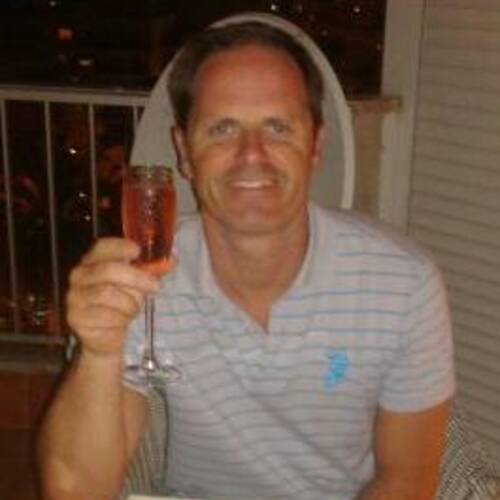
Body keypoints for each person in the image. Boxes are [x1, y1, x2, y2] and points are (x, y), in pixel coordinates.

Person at [37, 21, 455, 500]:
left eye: (278, 127)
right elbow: (75, 491)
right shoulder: (144, 280)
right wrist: (98, 352)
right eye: (222, 129)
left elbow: (406, 483)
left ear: (315, 146)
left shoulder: (402, 283)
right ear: (185, 153)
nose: (251, 155)